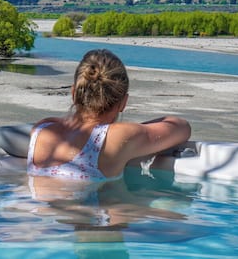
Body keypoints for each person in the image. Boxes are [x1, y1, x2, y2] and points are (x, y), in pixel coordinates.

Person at [27, 48, 191, 181]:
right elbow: (182, 127)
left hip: (35, 214)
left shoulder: (42, 128)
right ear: (123, 103)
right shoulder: (119, 136)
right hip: (88, 217)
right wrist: (136, 130)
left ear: (73, 93)